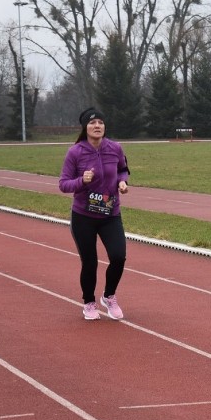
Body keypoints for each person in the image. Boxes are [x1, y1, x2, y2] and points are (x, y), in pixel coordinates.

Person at [59, 107, 130, 320]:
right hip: (84, 216)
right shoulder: (75, 152)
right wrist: (83, 180)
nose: (97, 126)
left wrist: (123, 182)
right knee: (90, 262)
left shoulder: (115, 148)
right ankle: (89, 302)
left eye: (100, 122)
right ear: (85, 127)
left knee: (118, 257)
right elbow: (63, 184)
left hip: (110, 213)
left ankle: (109, 296)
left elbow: (122, 169)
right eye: (92, 123)